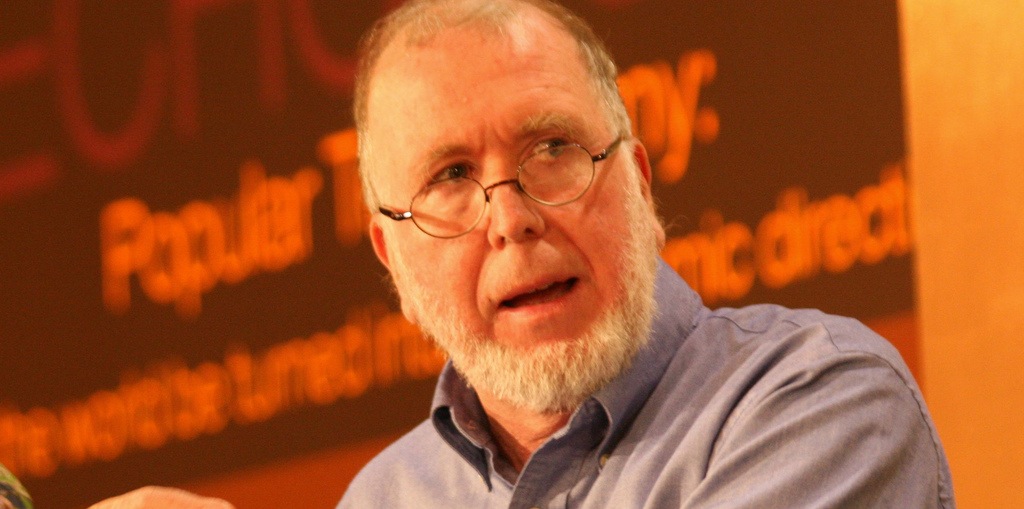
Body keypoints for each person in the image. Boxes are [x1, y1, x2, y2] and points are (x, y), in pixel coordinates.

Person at [337, 0, 955, 508]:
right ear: (394, 261)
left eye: (553, 148)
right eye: (449, 177)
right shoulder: (381, 498)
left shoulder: (819, 401)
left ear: (638, 184)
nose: (512, 220)